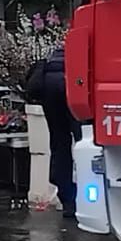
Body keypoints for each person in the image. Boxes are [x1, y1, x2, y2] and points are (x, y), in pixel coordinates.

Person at [24, 43, 79, 208]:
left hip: (49, 87)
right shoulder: (82, 49)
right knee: (83, 142)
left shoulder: (54, 54)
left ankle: (67, 200)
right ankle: (84, 199)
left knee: (59, 144)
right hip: (72, 84)